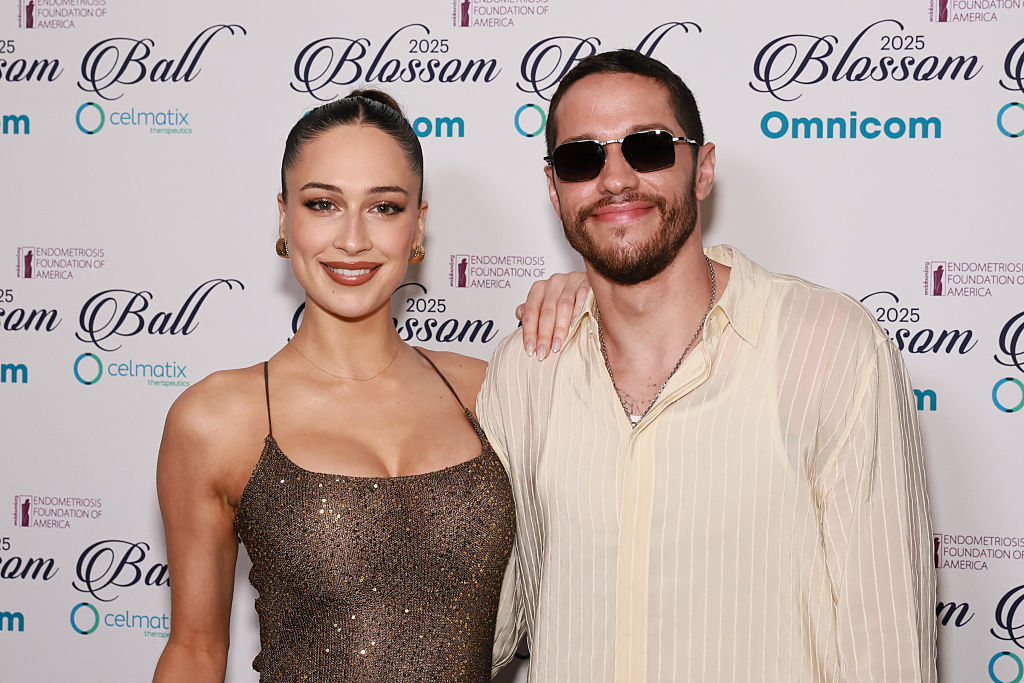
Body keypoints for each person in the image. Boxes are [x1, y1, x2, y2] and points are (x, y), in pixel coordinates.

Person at [480, 50, 937, 682]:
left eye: (648, 147)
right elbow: (485, 625)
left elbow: (887, 650)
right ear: (555, 188)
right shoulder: (525, 368)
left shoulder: (830, 347)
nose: (615, 179)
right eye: (583, 157)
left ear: (703, 169)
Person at [153, 90, 578, 682]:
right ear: (284, 218)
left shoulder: (489, 391)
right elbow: (195, 650)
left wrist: (597, 298)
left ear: (418, 225)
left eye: (384, 208)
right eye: (323, 204)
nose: (352, 239)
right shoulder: (219, 418)